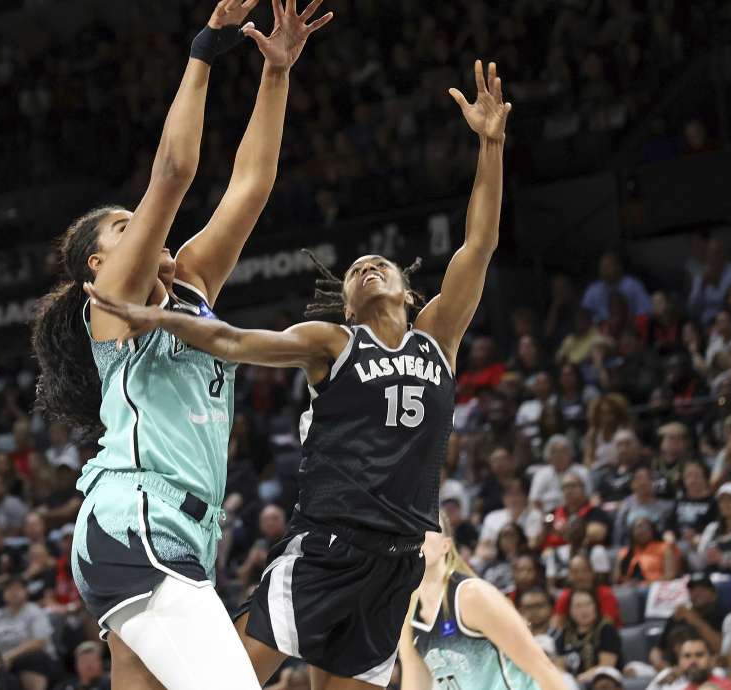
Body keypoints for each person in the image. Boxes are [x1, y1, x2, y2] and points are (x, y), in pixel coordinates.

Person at [89, 57, 508, 689]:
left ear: (410, 292)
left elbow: (478, 245)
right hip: (325, 546)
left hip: (396, 560)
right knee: (227, 677)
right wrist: (164, 320)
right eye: (356, 268)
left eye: (381, 264)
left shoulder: (438, 340)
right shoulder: (331, 342)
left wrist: (491, 146)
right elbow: (232, 339)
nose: (369, 267)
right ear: (344, 302)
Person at [31, 3, 333, 689]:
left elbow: (251, 187)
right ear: (95, 271)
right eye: (122, 226)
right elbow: (172, 173)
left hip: (181, 534)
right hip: (140, 520)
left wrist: (276, 74)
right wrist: (204, 51)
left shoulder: (192, 286)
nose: (141, 226)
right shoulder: (114, 305)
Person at [397, 513, 569, 690]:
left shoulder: (471, 596)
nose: (418, 535)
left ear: (445, 545)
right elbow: (414, 684)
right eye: (411, 528)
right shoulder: (408, 613)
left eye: (427, 527)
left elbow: (541, 667)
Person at [0, 577, 57, 690]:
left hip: (30, 660)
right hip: (0, 662)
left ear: (26, 592)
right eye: (9, 589)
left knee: (34, 658)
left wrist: (9, 657)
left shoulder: (35, 612)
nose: (14, 592)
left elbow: (39, 642)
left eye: (18, 589)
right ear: (4, 593)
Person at [554, 589, 622, 684]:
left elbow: (606, 664)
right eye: (578, 606)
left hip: (601, 680)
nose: (584, 610)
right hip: (571, 683)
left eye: (588, 604)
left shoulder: (606, 629)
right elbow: (559, 665)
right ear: (570, 611)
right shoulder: (565, 632)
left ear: (596, 606)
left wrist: (579, 679)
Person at [646, 636, 731, 690]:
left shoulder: (726, 686)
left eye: (699, 655)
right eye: (687, 656)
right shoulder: (668, 679)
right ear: (679, 661)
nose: (693, 661)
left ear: (711, 659)